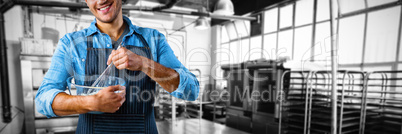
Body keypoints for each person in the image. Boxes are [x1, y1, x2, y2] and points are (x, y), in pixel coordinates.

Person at [35, 0, 199, 133]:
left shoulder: (153, 39)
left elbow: (192, 90)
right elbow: (43, 99)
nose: (101, 1)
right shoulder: (71, 44)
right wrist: (90, 102)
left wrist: (145, 64)